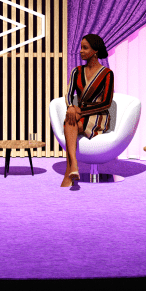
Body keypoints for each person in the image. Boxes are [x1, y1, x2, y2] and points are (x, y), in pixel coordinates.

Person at [61, 34, 114, 188]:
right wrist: (71, 107)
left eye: (85, 48)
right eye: (81, 47)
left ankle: (69, 171)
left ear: (95, 51)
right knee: (70, 120)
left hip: (98, 115)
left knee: (70, 122)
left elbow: (106, 103)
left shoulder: (107, 74)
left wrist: (80, 111)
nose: (81, 51)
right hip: (78, 113)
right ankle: (74, 165)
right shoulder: (76, 71)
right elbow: (69, 94)